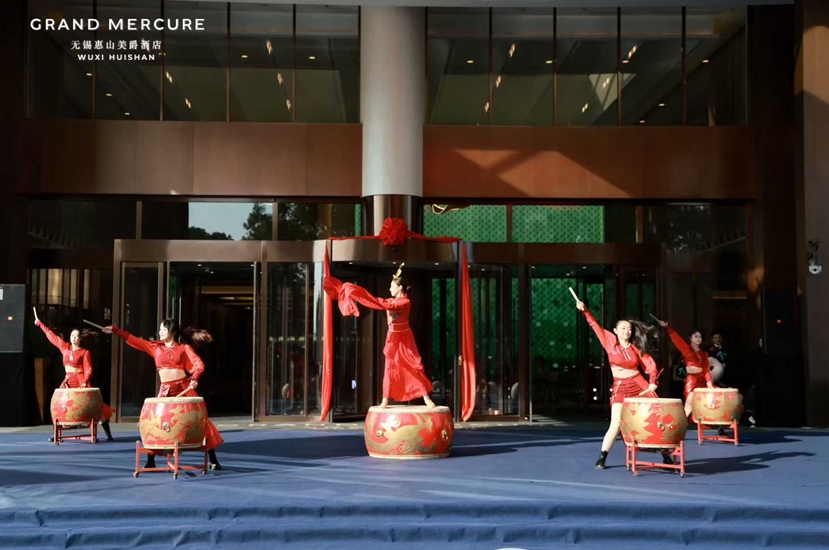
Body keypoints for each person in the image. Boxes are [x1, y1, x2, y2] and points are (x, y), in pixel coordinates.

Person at [103, 319, 224, 470]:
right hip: (165, 390)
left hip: (183, 388)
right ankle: (150, 459)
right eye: (160, 329)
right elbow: (134, 340)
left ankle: (213, 459)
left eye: (163, 329)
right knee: (156, 422)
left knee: (199, 421)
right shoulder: (155, 347)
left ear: (172, 332)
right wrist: (116, 330)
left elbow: (199, 364)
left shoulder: (184, 348)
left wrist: (194, 379)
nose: (160, 332)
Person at [575, 299, 670, 469]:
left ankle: (666, 454)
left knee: (657, 417)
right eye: (623, 328)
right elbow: (594, 325)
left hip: (639, 385)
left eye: (629, 329)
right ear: (615, 331)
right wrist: (585, 311)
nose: (627, 331)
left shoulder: (636, 348)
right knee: (616, 423)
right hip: (620, 387)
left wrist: (652, 382)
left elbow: (650, 366)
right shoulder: (610, 343)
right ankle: (602, 457)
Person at [324, 264, 436, 408]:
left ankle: (426, 397)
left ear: (400, 288)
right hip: (392, 338)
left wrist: (368, 298)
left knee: (413, 366)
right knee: (389, 368)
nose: (390, 289)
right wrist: (356, 293)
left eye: (392, 286)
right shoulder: (391, 301)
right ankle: (385, 399)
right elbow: (377, 302)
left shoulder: (405, 302)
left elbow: (389, 306)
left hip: (404, 339)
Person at [33, 308, 114, 442]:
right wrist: (40, 324)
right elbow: (52, 336)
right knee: (59, 404)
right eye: (72, 336)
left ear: (80, 339)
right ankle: (56, 433)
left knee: (95, 405)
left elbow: (88, 369)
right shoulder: (65, 348)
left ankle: (108, 433)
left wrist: (85, 381)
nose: (73, 338)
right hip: (68, 381)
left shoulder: (84, 352)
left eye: (76, 336)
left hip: (81, 380)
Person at [651, 317, 715, 420]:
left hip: (702, 380)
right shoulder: (687, 350)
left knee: (706, 403)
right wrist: (668, 327)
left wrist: (709, 383)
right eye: (696, 336)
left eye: (700, 337)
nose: (698, 339)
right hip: (692, 381)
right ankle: (680, 423)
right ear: (690, 338)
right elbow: (677, 339)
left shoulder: (704, 354)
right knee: (689, 404)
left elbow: (706, 369)